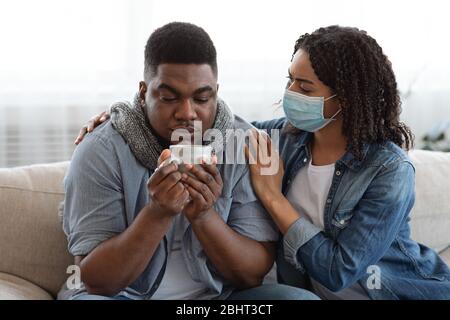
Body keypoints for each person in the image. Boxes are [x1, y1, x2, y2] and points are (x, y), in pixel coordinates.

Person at [77, 25, 450, 300]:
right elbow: (216, 127)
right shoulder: (277, 140)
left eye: (304, 89)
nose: (289, 95)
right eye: (290, 81)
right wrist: (122, 117)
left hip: (393, 293)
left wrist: (272, 199)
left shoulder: (389, 171)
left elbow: (338, 271)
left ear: (346, 100)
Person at [60, 22, 318, 300]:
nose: (187, 113)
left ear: (216, 92)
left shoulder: (243, 144)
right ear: (144, 91)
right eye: (169, 97)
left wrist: (205, 216)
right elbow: (96, 281)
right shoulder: (100, 150)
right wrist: (157, 213)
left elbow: (251, 275)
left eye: (202, 98)